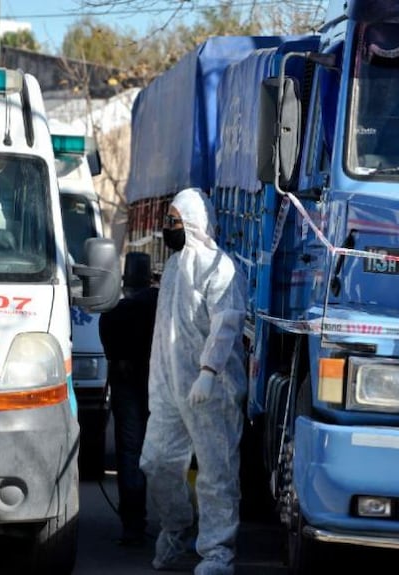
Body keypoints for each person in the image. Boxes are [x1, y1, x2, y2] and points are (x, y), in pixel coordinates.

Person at [139, 187, 247, 575]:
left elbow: (227, 323)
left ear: (194, 223)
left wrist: (208, 373)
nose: (168, 227)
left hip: (211, 389)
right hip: (170, 388)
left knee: (217, 472)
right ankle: (177, 526)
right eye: (168, 220)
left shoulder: (220, 267)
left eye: (175, 220)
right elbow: (165, 332)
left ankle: (218, 552)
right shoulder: (171, 268)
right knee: (156, 461)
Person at [98, 251, 159, 547]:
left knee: (130, 453)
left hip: (127, 389)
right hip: (159, 387)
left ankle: (133, 523)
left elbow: (109, 346)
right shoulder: (159, 304)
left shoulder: (114, 312)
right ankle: (175, 522)